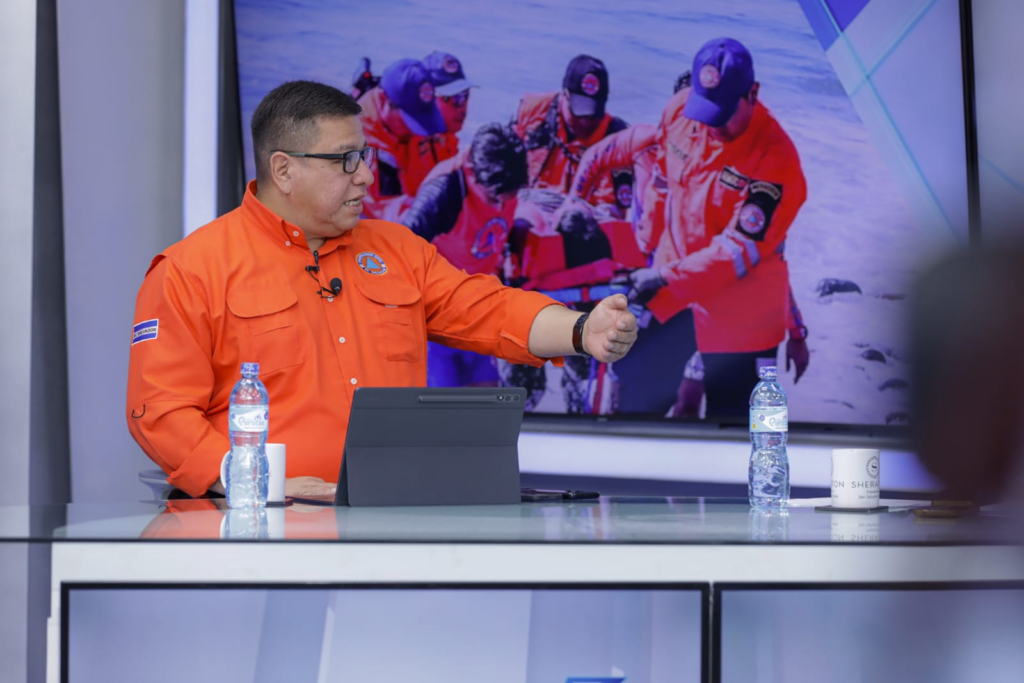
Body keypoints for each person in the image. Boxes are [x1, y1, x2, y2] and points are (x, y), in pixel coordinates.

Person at [126, 81, 638, 499]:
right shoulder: (191, 270)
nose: (367, 176)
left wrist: (581, 329)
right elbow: (160, 412)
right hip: (261, 526)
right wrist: (252, 484)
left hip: (388, 517)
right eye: (345, 160)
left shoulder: (398, 250)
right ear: (283, 169)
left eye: (365, 155)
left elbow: (487, 309)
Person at [624, 38, 808, 418]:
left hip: (742, 317)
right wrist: (643, 248)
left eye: (723, 112)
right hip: (672, 295)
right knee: (635, 402)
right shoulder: (680, 111)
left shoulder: (777, 159)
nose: (711, 125)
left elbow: (738, 250)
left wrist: (664, 276)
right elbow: (661, 183)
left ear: (752, 94)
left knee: (735, 429)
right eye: (704, 108)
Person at [401, 123, 528, 388]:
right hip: (432, 324)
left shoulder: (507, 174)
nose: (502, 205)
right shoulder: (444, 193)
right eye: (495, 198)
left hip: (475, 312)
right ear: (472, 172)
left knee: (486, 399)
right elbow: (396, 251)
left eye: (511, 196)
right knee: (444, 406)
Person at [511, 54, 629, 225]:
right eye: (579, 113)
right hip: (527, 211)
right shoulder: (533, 110)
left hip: (581, 226)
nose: (585, 121)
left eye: (592, 115)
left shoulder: (617, 141)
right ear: (564, 95)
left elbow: (615, 214)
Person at [356, 58, 448, 220]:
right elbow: (385, 212)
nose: (415, 131)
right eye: (409, 120)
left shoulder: (404, 128)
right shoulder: (362, 146)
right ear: (383, 99)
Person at [423, 50, 477, 159]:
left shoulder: (448, 141)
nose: (462, 108)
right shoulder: (412, 147)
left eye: (465, 96)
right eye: (455, 98)